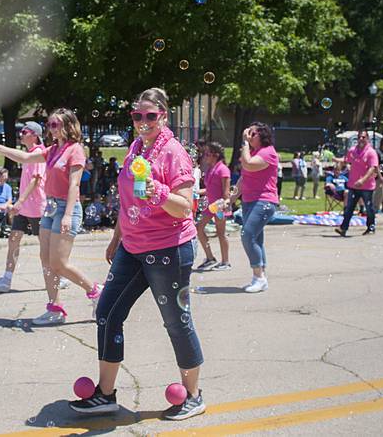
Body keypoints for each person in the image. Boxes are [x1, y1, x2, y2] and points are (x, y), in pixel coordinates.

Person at [70, 88, 205, 420]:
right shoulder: (135, 149)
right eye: (137, 116)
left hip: (170, 249)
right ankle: (105, 395)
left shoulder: (173, 152)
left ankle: (194, 395)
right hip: (132, 248)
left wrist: (158, 191)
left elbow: (184, 206)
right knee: (107, 311)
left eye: (150, 116)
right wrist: (116, 237)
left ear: (163, 117)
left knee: (176, 321)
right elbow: (129, 201)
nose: (143, 122)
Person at [0, 110, 101, 325]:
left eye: (55, 124)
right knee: (46, 261)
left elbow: (74, 184)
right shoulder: (53, 150)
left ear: (68, 126)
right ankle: (55, 308)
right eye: (49, 124)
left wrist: (68, 215)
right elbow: (24, 157)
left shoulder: (75, 150)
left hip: (65, 208)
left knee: (59, 263)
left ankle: (96, 291)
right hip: (49, 208)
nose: (51, 128)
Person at [0, 122, 47, 293]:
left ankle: (56, 276)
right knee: (13, 239)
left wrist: (19, 201)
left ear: (34, 135)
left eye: (25, 131)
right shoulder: (28, 154)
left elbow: (36, 180)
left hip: (36, 207)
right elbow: (17, 158)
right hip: (25, 207)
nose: (21, 134)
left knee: (44, 246)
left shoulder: (39, 153)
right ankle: (6, 279)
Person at [228, 121, 279, 293]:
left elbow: (248, 164)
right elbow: (244, 176)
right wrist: (233, 196)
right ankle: (260, 277)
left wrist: (243, 141)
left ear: (262, 136)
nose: (249, 136)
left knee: (247, 235)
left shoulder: (268, 152)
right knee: (256, 239)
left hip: (264, 200)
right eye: (248, 133)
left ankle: (259, 277)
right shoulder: (254, 152)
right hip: (249, 201)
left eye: (253, 134)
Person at [335, 130, 378, 237]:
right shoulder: (352, 151)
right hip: (353, 184)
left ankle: (370, 227)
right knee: (349, 207)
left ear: (367, 139)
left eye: (363, 137)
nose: (361, 139)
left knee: (369, 208)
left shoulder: (371, 152)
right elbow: (347, 161)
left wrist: (362, 180)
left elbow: (373, 168)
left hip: (367, 186)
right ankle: (343, 228)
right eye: (359, 137)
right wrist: (336, 160)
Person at [195, 141, 231, 271]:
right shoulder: (211, 169)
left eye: (207, 154)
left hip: (219, 206)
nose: (205, 156)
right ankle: (210, 258)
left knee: (221, 233)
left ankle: (226, 262)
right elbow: (210, 189)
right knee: (198, 228)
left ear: (215, 155)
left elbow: (226, 192)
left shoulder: (223, 169)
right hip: (210, 206)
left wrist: (222, 206)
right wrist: (196, 192)